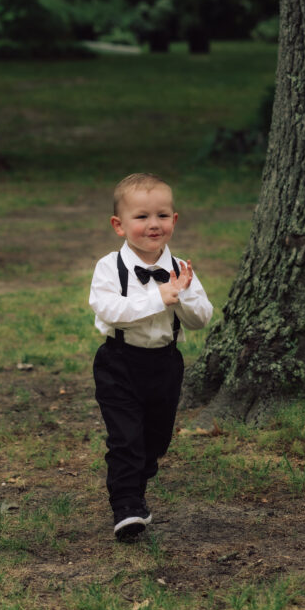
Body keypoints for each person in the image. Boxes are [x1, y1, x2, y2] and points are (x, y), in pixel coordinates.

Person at [89, 172, 213, 541]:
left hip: (165, 364)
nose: (152, 224)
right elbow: (109, 310)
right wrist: (158, 297)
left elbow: (200, 318)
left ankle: (139, 474)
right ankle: (127, 507)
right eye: (141, 217)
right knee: (125, 437)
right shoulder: (109, 267)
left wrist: (183, 294)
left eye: (161, 215)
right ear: (119, 225)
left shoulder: (181, 270)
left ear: (174, 220)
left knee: (154, 440)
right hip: (119, 363)